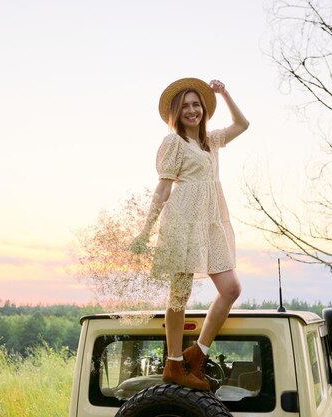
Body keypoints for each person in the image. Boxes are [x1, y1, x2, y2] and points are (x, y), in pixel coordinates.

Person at [132, 77, 249, 390]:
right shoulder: (173, 143)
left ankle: (198, 352)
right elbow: (163, 188)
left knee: (231, 288)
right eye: (185, 106)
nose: (192, 110)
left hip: (211, 220)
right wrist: (146, 230)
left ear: (203, 109)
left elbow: (243, 124)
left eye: (196, 104)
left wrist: (224, 93)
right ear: (175, 111)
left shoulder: (211, 140)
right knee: (179, 294)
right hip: (183, 220)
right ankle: (173, 363)